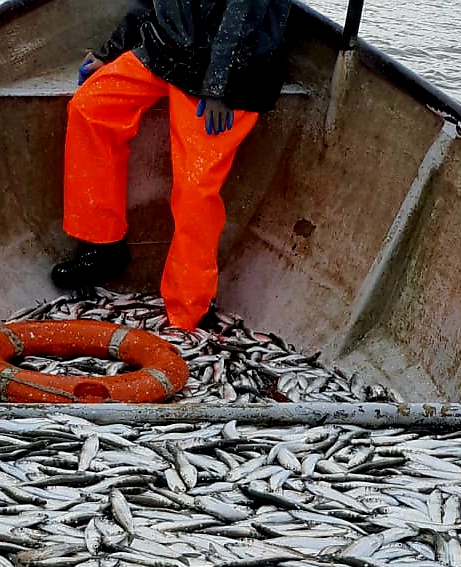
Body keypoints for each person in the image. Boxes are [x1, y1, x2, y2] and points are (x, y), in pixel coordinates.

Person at [51, 0, 293, 333]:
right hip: (169, 52)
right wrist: (111, 52)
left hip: (233, 72)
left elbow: (244, 13)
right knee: (89, 108)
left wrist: (219, 88)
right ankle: (102, 246)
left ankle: (190, 312)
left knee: (196, 186)